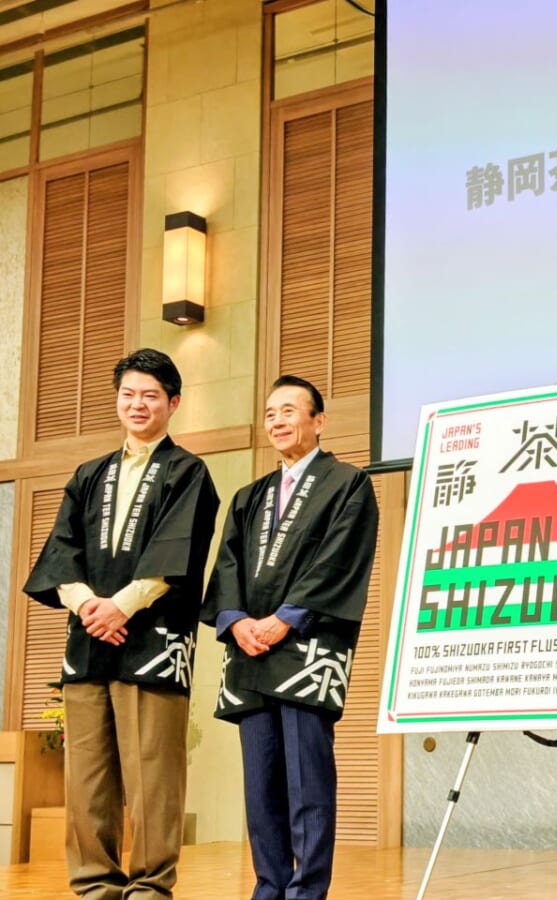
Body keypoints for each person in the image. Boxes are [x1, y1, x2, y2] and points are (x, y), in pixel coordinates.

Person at [23, 348, 220, 900]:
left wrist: (122, 607)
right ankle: (94, 883)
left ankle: (151, 886)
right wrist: (90, 605)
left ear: (173, 403)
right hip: (89, 640)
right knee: (87, 774)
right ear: (117, 400)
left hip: (153, 641)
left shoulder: (187, 472)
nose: (138, 404)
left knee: (153, 773)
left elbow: (177, 552)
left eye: (150, 395)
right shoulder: (89, 475)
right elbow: (61, 552)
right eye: (128, 394)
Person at [201, 375, 379, 900]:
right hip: (250, 652)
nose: (277, 421)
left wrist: (286, 617)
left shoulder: (348, 484)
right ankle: (269, 887)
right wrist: (236, 621)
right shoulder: (249, 496)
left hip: (306, 647)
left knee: (308, 785)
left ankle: (307, 892)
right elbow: (227, 565)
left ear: (319, 421)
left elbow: (339, 560)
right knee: (261, 788)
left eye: (289, 411)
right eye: (270, 413)